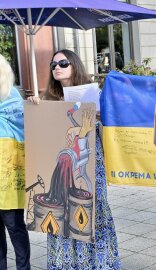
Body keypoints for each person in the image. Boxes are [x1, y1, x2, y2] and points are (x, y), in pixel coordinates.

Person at [28, 49, 121, 269]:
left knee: (92, 210)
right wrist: (34, 108)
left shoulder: (94, 95)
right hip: (61, 165)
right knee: (61, 212)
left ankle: (98, 264)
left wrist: (100, 118)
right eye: (53, 65)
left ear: (75, 65)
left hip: (90, 165)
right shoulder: (47, 100)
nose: (57, 68)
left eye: (62, 63)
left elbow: (110, 131)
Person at [0, 54, 31, 270]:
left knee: (15, 227)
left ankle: (23, 268)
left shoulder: (13, 98)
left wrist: (35, 107)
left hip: (8, 176)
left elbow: (28, 127)